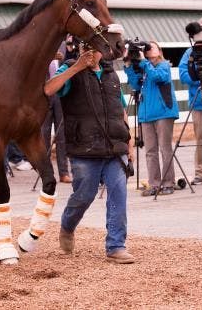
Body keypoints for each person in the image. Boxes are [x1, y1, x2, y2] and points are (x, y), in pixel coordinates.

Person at [44, 45, 135, 264]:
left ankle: (116, 246)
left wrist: (129, 140)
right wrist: (75, 67)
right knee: (84, 195)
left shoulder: (110, 72)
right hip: (84, 148)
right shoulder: (69, 69)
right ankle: (67, 225)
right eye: (88, 48)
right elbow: (49, 89)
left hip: (115, 147)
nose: (92, 53)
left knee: (118, 192)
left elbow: (119, 108)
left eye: (97, 49)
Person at [124, 41, 179, 196]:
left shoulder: (163, 65)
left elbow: (158, 77)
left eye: (151, 46)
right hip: (146, 115)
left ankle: (168, 183)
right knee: (150, 151)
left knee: (165, 148)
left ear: (159, 50)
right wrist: (129, 64)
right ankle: (154, 184)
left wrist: (143, 62)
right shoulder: (143, 67)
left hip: (163, 113)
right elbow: (135, 84)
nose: (148, 49)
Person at [178, 16, 202, 185]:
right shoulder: (190, 52)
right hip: (199, 101)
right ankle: (200, 173)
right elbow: (183, 74)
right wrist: (200, 80)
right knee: (201, 138)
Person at [41, 51, 71, 183]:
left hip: (60, 95)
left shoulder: (65, 45)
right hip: (44, 95)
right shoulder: (43, 44)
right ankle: (46, 173)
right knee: (44, 135)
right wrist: (48, 56)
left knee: (62, 135)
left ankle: (64, 172)